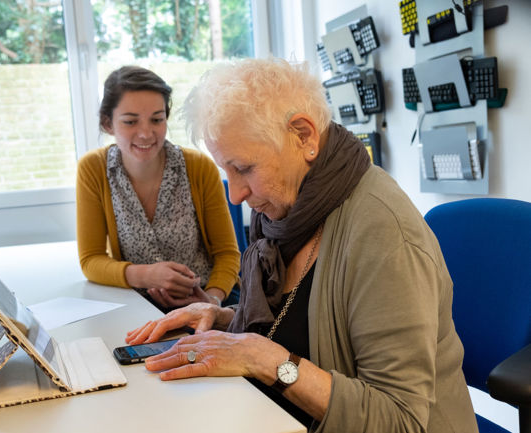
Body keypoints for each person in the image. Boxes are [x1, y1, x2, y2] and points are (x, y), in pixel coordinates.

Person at [125, 58, 478, 433]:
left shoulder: (385, 234)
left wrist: (265, 359)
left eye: (243, 169)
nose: (236, 195)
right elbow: (300, 321)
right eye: (226, 171)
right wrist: (225, 319)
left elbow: (399, 420)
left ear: (304, 137)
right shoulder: (285, 214)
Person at [76, 66, 241, 311]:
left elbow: (228, 254)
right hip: (138, 305)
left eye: (156, 119)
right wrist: (146, 275)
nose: (146, 134)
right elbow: (91, 260)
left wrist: (211, 302)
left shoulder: (199, 167)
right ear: (108, 123)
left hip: (209, 299)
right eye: (130, 121)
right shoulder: (93, 169)